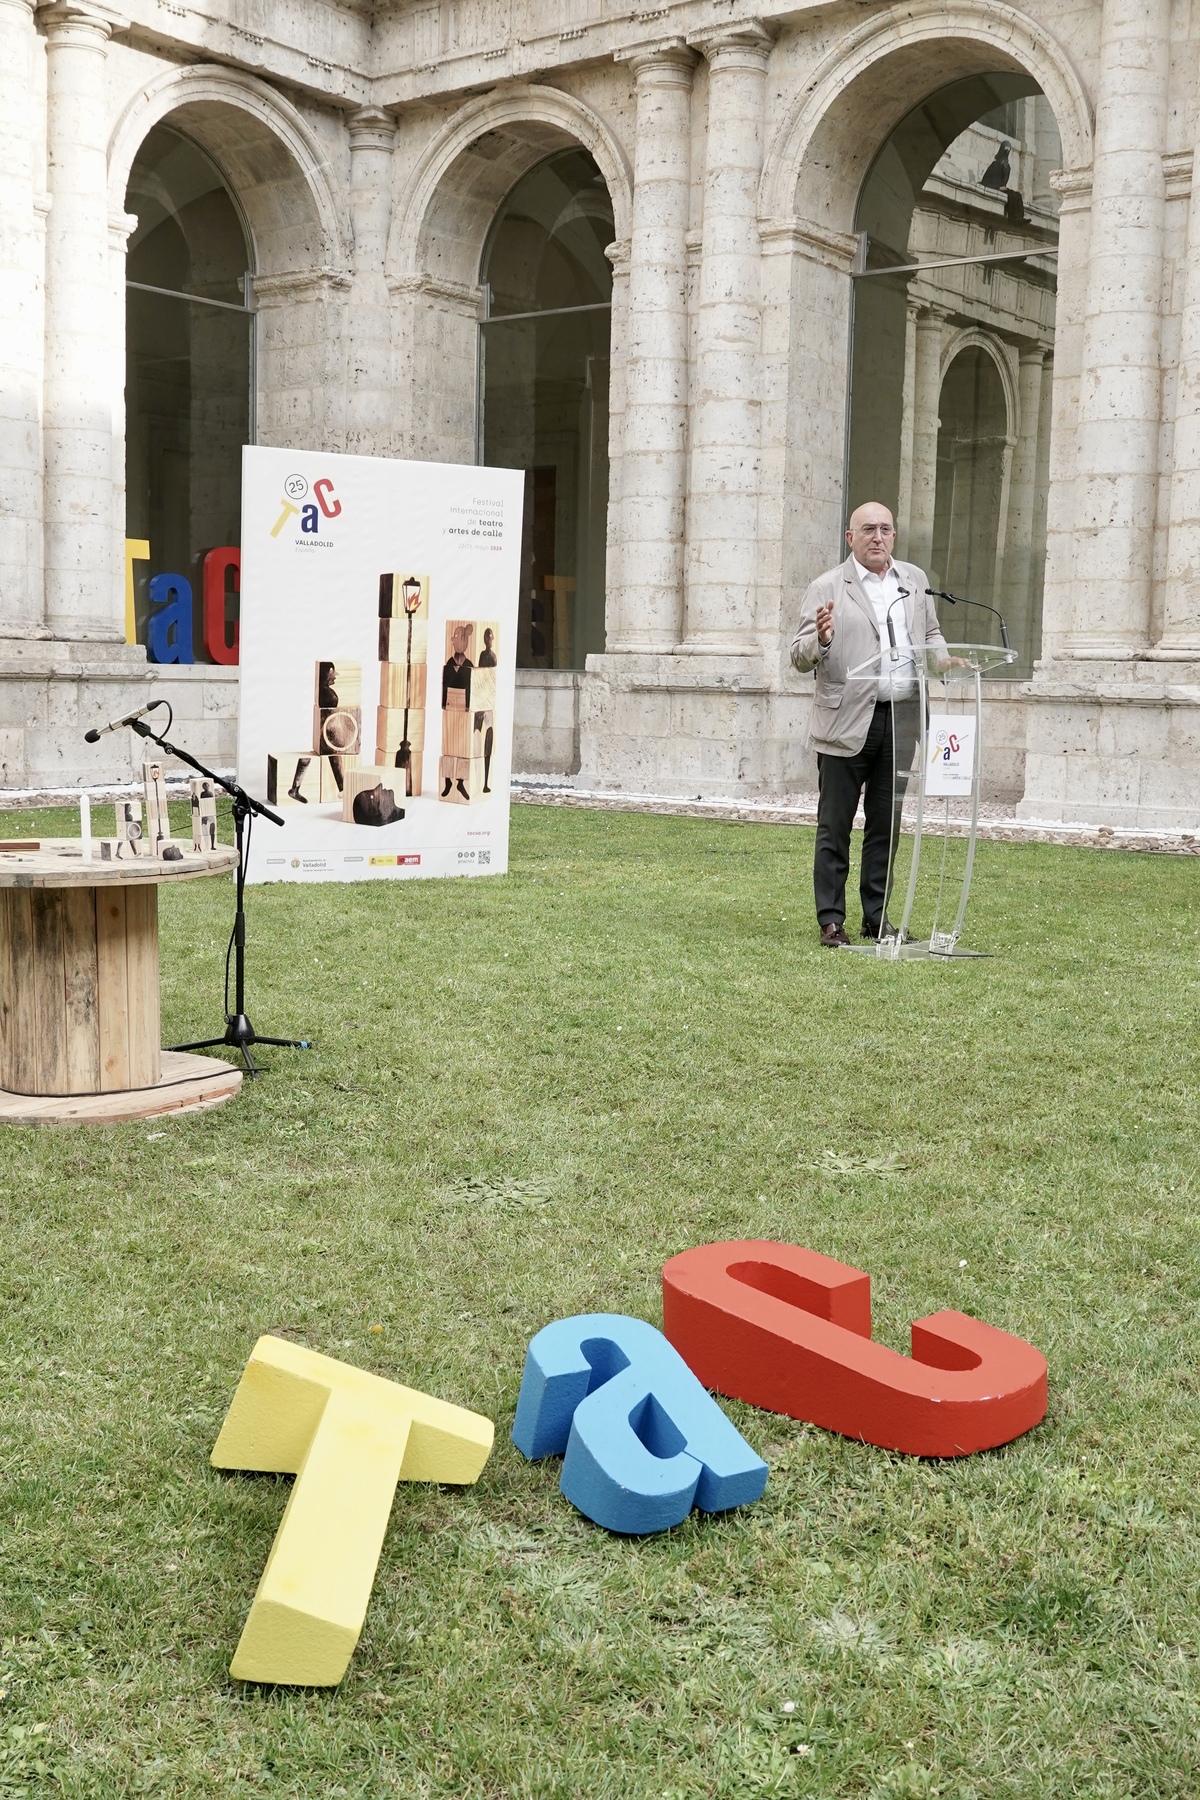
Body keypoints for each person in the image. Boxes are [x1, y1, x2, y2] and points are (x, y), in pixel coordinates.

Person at [791, 502, 948, 948]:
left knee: (887, 824)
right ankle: (831, 921)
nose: (877, 537)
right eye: (868, 530)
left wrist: (942, 658)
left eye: (885, 529)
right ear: (850, 538)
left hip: (902, 719)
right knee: (834, 824)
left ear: (894, 535)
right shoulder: (827, 586)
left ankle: (877, 919)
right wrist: (821, 639)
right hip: (845, 720)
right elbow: (798, 655)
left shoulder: (913, 581)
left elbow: (930, 633)